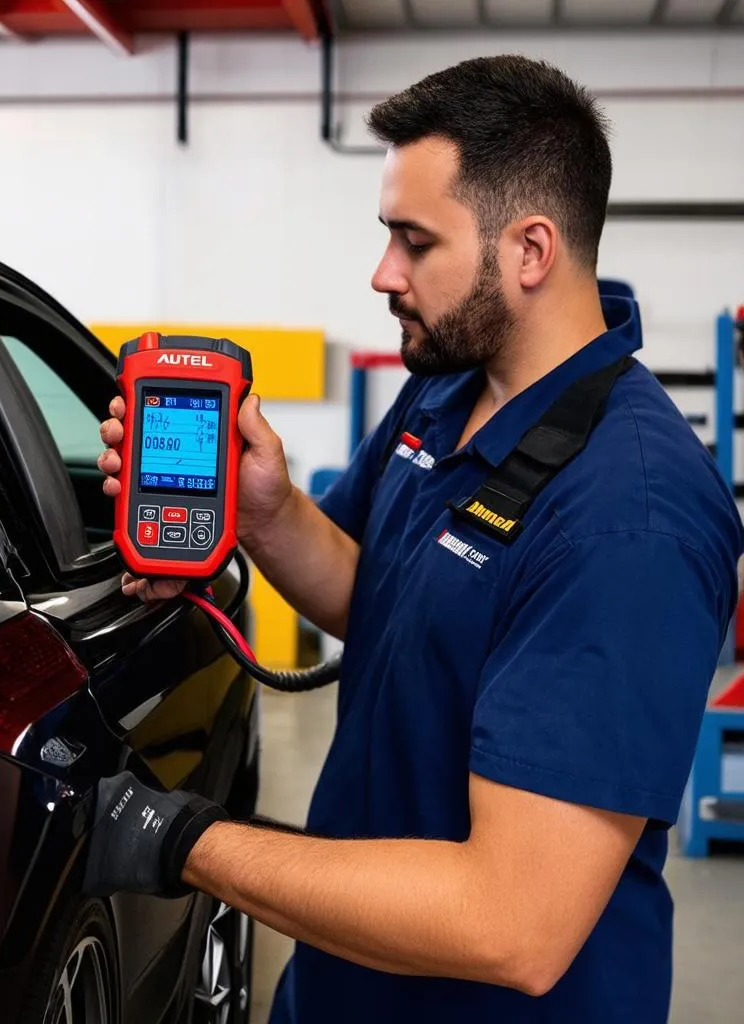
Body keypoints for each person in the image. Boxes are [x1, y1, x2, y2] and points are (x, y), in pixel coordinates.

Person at [84, 55, 744, 1023]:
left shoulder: (627, 520)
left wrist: (177, 838)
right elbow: (376, 595)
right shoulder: (448, 382)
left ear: (529, 250)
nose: (382, 271)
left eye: (412, 240)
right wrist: (265, 514)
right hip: (344, 980)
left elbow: (510, 923)